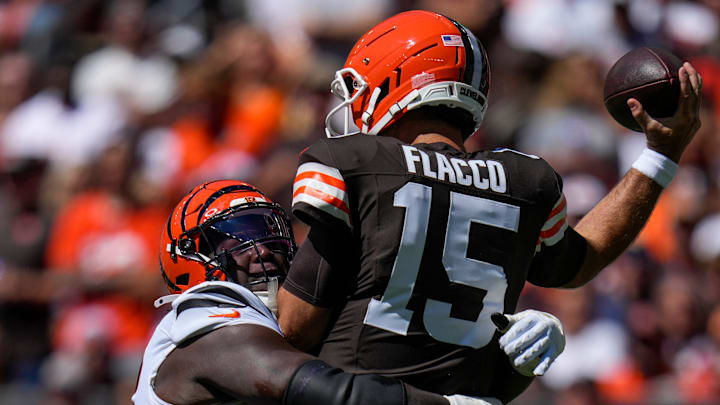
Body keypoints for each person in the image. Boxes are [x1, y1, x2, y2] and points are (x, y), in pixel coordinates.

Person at [276, 9, 702, 403]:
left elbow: (296, 328)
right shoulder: (526, 181)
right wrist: (660, 155)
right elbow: (581, 260)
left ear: (396, 82)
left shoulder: (355, 163)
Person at [134, 179, 547, 405]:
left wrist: (513, 362)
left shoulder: (296, 333)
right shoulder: (203, 318)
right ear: (187, 255)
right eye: (235, 240)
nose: (262, 251)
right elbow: (308, 385)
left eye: (270, 235)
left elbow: (408, 389)